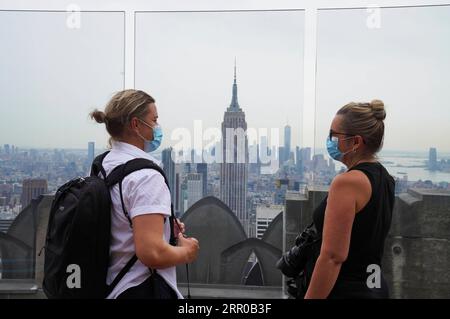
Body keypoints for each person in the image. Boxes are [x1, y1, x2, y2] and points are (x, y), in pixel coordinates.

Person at [90, 89, 199, 299]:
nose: (157, 127)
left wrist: (164, 229)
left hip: (109, 286)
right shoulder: (146, 176)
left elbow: (117, 222)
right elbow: (152, 253)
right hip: (138, 288)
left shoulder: (103, 165)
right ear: (135, 124)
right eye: (154, 119)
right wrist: (187, 251)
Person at [304, 100, 395, 299]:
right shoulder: (385, 178)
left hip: (345, 291)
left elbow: (332, 257)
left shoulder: (347, 183)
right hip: (375, 287)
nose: (329, 140)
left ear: (355, 142)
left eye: (333, 135)